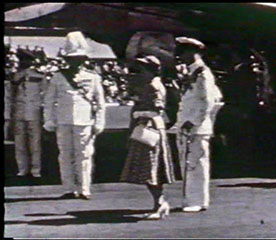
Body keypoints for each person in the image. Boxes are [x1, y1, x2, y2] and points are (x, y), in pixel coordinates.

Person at [43, 31, 106, 199]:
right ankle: (69, 188)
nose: (75, 62)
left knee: (84, 155)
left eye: (79, 59)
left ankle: (84, 188)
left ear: (84, 59)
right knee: (65, 155)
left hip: (84, 120)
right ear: (67, 60)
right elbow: (49, 100)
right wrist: (48, 119)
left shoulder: (92, 77)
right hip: (63, 120)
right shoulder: (58, 76)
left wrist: (99, 122)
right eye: (72, 59)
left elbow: (100, 103)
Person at [120, 55, 175, 220]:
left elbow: (158, 108)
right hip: (148, 126)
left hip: (149, 128)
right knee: (150, 169)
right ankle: (159, 203)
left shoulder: (153, 86)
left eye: (143, 68)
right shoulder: (148, 85)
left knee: (151, 168)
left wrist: (139, 112)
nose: (140, 72)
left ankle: (160, 203)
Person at [174, 37, 223, 212]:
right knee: (188, 163)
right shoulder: (191, 72)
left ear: (194, 52)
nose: (180, 56)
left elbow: (207, 102)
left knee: (196, 163)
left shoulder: (202, 73)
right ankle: (190, 199)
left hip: (197, 126)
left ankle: (197, 201)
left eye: (183, 52)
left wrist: (193, 122)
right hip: (188, 124)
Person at [12, 48, 48, 178]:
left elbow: (46, 95)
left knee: (35, 143)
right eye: (22, 60)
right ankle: (22, 168)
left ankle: (35, 169)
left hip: (34, 112)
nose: (23, 62)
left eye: (26, 60)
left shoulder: (39, 76)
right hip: (19, 113)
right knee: (20, 143)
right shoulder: (15, 76)